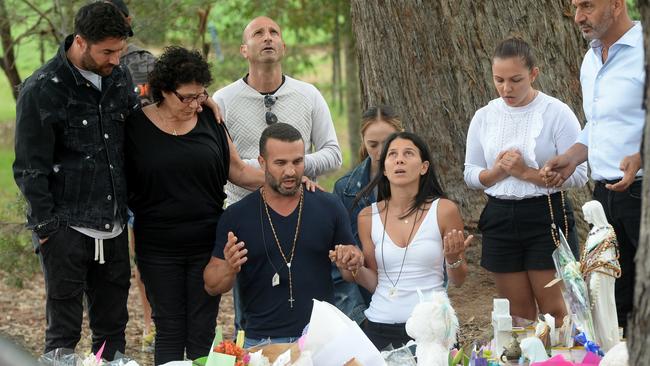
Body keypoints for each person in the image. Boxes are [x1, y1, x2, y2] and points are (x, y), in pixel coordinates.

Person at [124, 46, 265, 365]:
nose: (193, 104)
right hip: (157, 247)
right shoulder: (133, 127)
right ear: (162, 90)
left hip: (207, 242)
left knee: (202, 331)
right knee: (170, 329)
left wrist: (286, 181)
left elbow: (239, 171)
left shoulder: (210, 119)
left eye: (200, 95)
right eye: (185, 97)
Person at [12, 2, 135, 360]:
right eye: (107, 52)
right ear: (80, 42)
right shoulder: (42, 89)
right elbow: (29, 168)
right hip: (65, 227)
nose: (115, 60)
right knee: (63, 337)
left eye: (120, 51)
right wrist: (48, 229)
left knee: (113, 331)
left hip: (113, 224)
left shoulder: (120, 77)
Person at [203, 123, 363, 349]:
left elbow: (350, 271)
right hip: (261, 342)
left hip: (320, 338)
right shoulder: (237, 216)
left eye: (297, 162)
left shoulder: (329, 206)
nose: (290, 171)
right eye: (280, 163)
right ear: (262, 163)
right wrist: (228, 268)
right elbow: (212, 285)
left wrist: (352, 259)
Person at [464, 37, 588, 327]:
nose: (506, 88)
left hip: (546, 213)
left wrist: (525, 173)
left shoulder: (557, 113)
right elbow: (470, 172)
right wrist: (496, 173)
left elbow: (580, 173)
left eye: (516, 80)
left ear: (534, 74)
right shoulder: (484, 116)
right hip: (499, 216)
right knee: (517, 315)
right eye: (499, 80)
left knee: (554, 311)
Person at [542, 0, 643, 334]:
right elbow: (599, 124)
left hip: (642, 193)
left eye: (587, 5)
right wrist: (572, 157)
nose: (578, 17)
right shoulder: (590, 58)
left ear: (616, 5)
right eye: (575, 6)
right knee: (615, 301)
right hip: (604, 198)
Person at [333, 131, 471, 350]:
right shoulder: (368, 217)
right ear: (385, 169)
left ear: (424, 167)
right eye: (392, 155)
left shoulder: (444, 210)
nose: (399, 159)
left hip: (430, 330)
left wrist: (453, 259)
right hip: (379, 325)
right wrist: (352, 267)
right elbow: (375, 282)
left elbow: (459, 280)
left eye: (408, 153)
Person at [212, 16, 342, 205]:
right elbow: (221, 162)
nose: (268, 38)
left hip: (302, 208)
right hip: (244, 211)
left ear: (283, 47)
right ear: (244, 50)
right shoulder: (223, 100)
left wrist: (294, 164)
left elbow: (333, 155)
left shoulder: (309, 94)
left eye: (274, 32)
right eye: (258, 33)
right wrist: (279, 167)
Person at [105, 0, 157, 352]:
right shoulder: (88, 61)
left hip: (141, 179)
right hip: (102, 182)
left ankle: (153, 327)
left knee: (144, 259)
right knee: (109, 269)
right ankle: (110, 340)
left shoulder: (144, 63)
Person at [332, 106, 403, 324]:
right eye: (373, 144)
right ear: (362, 140)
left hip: (409, 300)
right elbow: (338, 263)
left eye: (389, 142)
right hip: (364, 301)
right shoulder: (346, 190)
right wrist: (357, 316)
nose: (381, 152)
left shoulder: (419, 185)